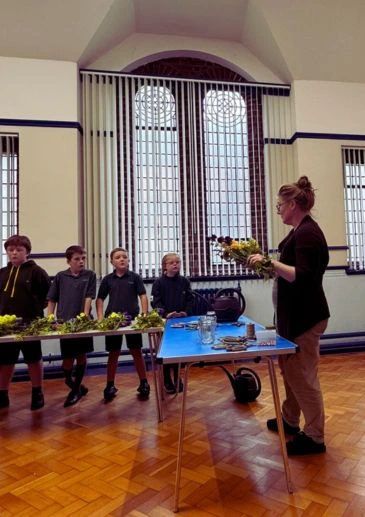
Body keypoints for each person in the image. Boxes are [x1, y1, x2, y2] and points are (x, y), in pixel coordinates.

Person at [248, 176, 330, 455]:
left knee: (302, 376)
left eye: (280, 205)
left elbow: (304, 276)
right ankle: (290, 420)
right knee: (291, 372)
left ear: (293, 204)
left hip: (305, 318)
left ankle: (315, 436)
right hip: (293, 317)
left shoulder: (308, 233)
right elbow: (286, 268)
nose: (278, 209)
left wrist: (270, 263)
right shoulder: (298, 231)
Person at [0, 235, 50, 410]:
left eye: (19, 250)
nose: (14, 253)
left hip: (30, 325)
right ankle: (3, 394)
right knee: (5, 361)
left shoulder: (36, 272)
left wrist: (34, 313)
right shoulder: (2, 272)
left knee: (33, 359)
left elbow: (48, 297)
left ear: (27, 252)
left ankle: (37, 392)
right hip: (5, 327)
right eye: (11, 250)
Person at [96, 247, 150, 402]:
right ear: (112, 261)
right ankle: (110, 385)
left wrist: (144, 315)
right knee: (113, 353)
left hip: (132, 321)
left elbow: (143, 296)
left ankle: (144, 383)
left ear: (129, 260)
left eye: (124, 257)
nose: (122, 259)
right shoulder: (107, 279)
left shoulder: (135, 277)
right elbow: (99, 299)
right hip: (113, 322)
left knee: (136, 351)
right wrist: (100, 318)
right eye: (118, 257)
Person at [47, 245, 96, 407]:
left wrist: (84, 315)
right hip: (64, 323)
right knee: (67, 361)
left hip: (82, 323)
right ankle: (74, 384)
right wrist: (50, 318)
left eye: (83, 258)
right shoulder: (61, 277)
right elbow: (52, 298)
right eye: (77, 259)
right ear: (69, 261)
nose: (81, 262)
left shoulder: (90, 275)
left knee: (81, 355)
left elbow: (89, 297)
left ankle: (75, 391)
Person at [151, 252, 194, 394]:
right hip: (165, 321)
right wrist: (165, 314)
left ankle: (177, 378)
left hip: (182, 321)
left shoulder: (184, 281)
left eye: (178, 262)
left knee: (178, 351)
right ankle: (167, 379)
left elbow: (190, 299)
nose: (176, 264)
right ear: (164, 266)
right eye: (172, 262)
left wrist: (186, 312)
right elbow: (155, 302)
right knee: (166, 352)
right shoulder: (158, 283)